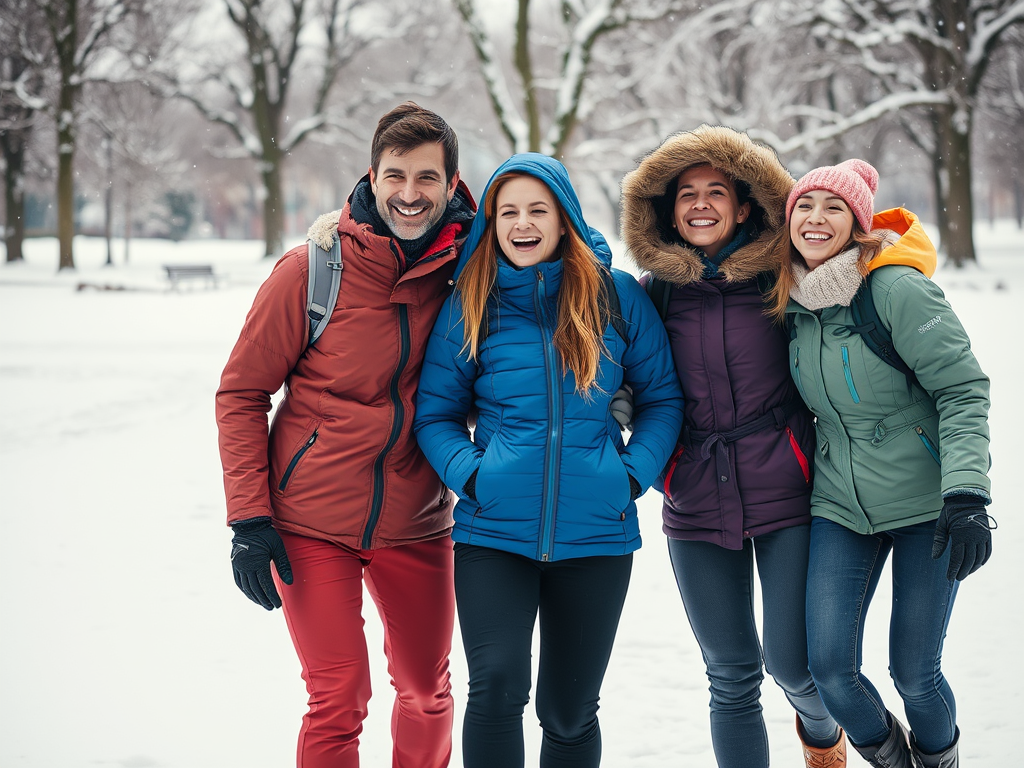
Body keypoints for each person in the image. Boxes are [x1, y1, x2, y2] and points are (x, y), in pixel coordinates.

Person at [215, 102, 477, 768]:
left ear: (452, 184)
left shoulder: (471, 278)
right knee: (338, 696)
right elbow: (242, 392)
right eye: (396, 175)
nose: (409, 194)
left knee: (426, 691)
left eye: (426, 178)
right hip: (308, 523)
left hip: (419, 522)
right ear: (373, 175)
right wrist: (249, 518)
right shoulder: (313, 271)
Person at [413, 153, 684, 768]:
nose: (522, 223)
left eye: (538, 209)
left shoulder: (614, 297)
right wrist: (475, 474)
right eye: (508, 211)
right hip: (494, 535)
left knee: (568, 710)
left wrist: (630, 476)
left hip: (597, 537)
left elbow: (662, 397)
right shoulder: (471, 299)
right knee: (498, 686)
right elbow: (435, 414)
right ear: (491, 221)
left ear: (564, 219)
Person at [619, 125, 844, 768]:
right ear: (667, 209)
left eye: (715, 191)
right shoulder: (653, 292)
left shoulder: (784, 275)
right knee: (731, 674)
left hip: (787, 490)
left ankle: (824, 737)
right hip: (694, 496)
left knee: (796, 664)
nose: (700, 204)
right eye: (687, 193)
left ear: (743, 205)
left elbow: (858, 273)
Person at [766, 159, 994, 768]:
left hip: (928, 504)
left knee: (916, 674)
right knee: (831, 672)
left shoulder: (896, 288)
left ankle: (939, 759)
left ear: (858, 224)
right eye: (804, 207)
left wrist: (968, 495)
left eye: (833, 208)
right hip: (840, 504)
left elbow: (963, 388)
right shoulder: (787, 299)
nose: (816, 219)